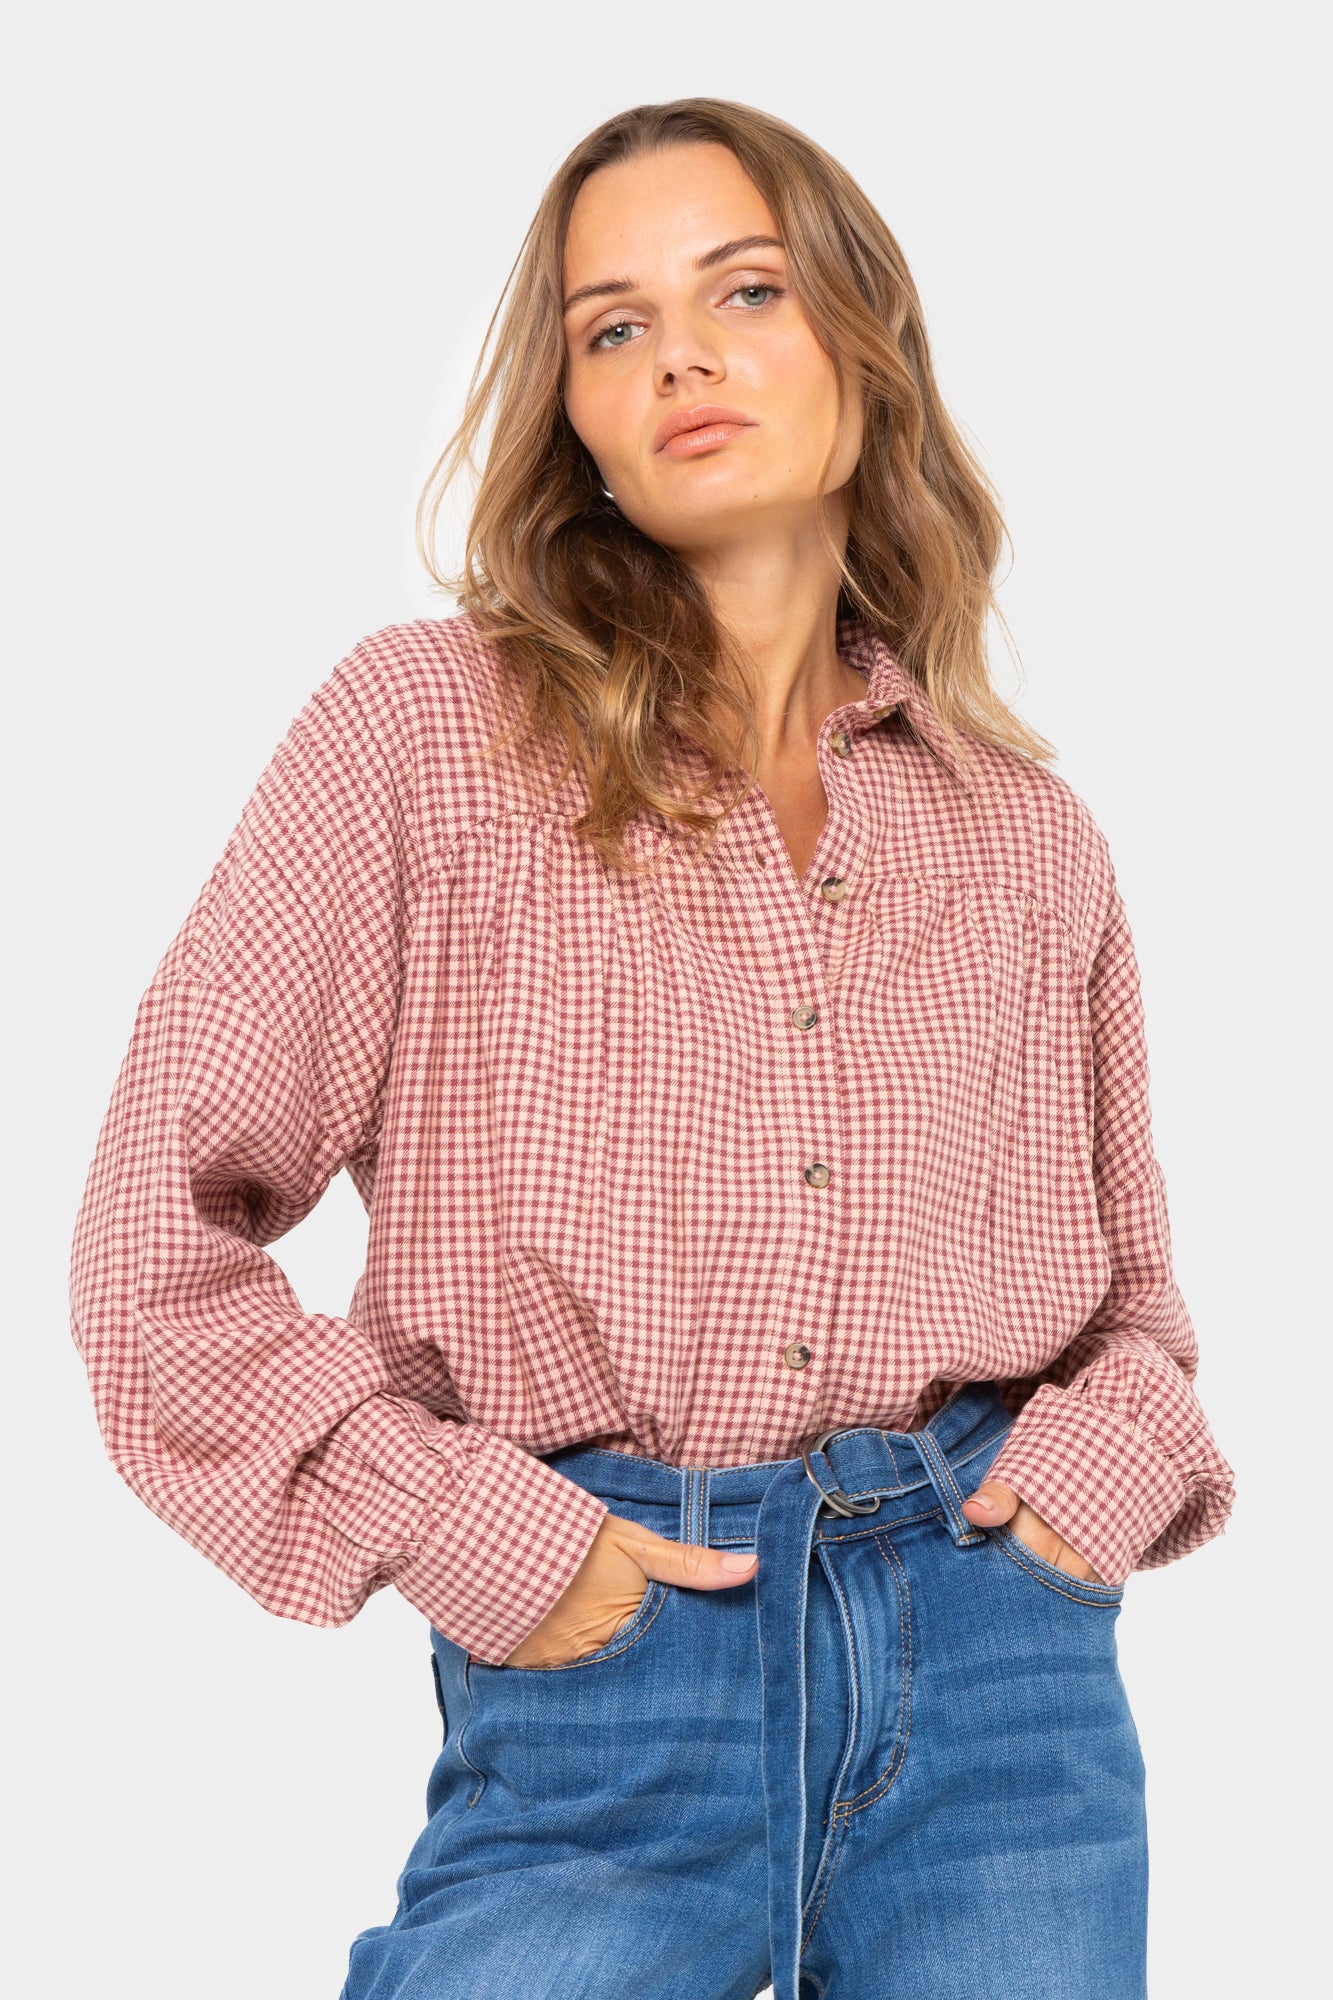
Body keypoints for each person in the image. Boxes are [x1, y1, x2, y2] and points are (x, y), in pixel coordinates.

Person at [68, 96, 1236, 2000]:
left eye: (744, 290)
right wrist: (461, 1526)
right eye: (613, 326)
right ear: (577, 420)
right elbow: (156, 1236)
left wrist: (1084, 1497)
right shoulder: (425, 736)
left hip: (999, 1688)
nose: (681, 356)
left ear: (861, 339)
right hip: (610, 1669)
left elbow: (1130, 1310)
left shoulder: (1025, 835)